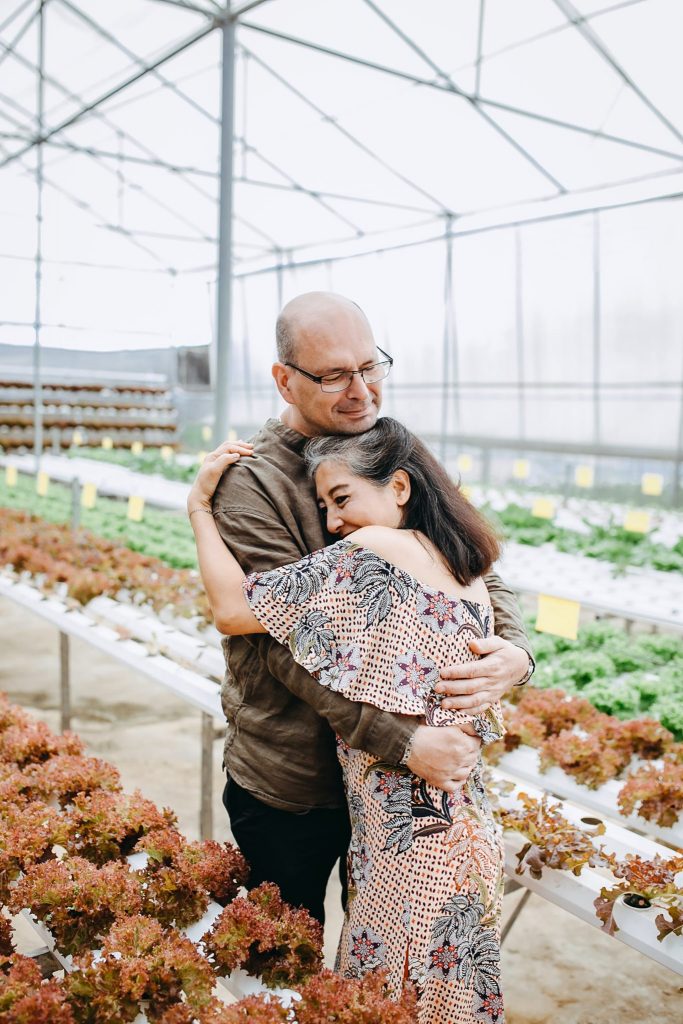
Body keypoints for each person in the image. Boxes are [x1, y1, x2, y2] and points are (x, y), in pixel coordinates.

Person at [203, 292, 533, 925]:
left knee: (383, 974)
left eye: (370, 367)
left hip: (402, 789)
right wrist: (403, 740)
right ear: (284, 381)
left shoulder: (389, 447)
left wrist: (515, 653)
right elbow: (283, 646)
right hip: (297, 781)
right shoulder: (253, 481)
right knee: (285, 965)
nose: (360, 391)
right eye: (333, 376)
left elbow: (468, 555)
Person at [187, 416, 507, 1023]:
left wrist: (200, 508)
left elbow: (232, 610)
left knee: (381, 1006)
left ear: (401, 489)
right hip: (459, 830)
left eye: (342, 499)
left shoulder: (378, 551)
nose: (333, 523)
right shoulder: (460, 563)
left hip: (409, 843)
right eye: (326, 506)